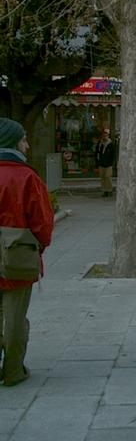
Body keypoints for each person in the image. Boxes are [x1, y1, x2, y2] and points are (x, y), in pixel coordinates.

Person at [0, 118, 54, 387]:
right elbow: (42, 223)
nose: (28, 144)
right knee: (15, 317)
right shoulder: (26, 177)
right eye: (23, 139)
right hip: (16, 256)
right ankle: (12, 370)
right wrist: (37, 247)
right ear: (12, 142)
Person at [95, 128, 115, 197]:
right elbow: (97, 153)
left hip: (108, 164)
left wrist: (112, 163)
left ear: (108, 136)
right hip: (101, 163)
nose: (104, 136)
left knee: (108, 177)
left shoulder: (110, 144)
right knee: (102, 178)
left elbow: (113, 155)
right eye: (103, 135)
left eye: (106, 135)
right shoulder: (100, 144)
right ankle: (104, 190)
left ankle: (109, 190)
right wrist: (97, 162)